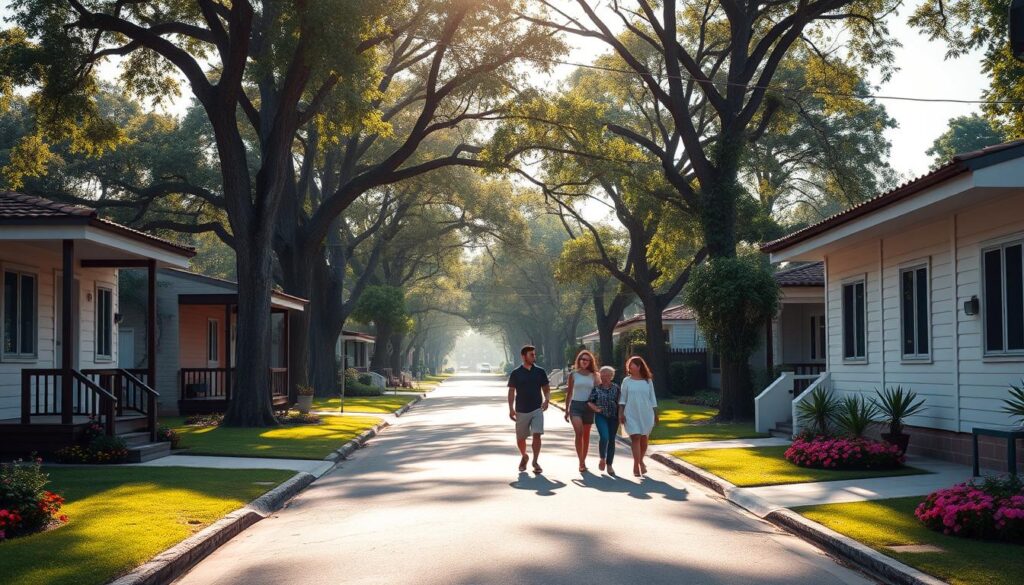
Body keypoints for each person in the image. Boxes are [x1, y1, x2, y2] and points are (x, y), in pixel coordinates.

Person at [507, 345, 550, 473]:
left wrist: (547, 399)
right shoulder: (516, 373)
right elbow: (511, 391)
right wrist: (511, 408)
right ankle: (524, 456)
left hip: (537, 409)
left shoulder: (540, 371)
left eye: (534, 354)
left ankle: (535, 461)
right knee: (520, 439)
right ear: (523, 356)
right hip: (521, 410)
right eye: (531, 355)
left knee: (537, 434)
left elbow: (546, 388)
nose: (534, 357)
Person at [619, 356, 659, 477]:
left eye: (633, 365)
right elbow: (622, 398)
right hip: (631, 413)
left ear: (639, 366)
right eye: (629, 365)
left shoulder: (648, 381)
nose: (630, 367)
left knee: (644, 438)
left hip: (646, 413)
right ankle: (636, 465)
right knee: (635, 437)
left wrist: (656, 415)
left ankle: (641, 461)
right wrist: (621, 413)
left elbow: (653, 399)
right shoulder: (627, 381)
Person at [564, 349, 599, 472]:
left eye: (587, 360)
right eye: (582, 359)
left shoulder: (594, 375)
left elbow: (598, 392)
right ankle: (581, 462)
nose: (585, 361)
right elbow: (569, 393)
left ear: (590, 362)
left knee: (586, 435)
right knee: (579, 433)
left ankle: (583, 460)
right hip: (576, 406)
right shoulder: (573, 374)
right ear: (579, 360)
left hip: (588, 407)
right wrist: (566, 410)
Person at [589, 365, 620, 476]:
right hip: (601, 416)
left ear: (612, 376)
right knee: (604, 436)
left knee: (611, 440)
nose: (604, 377)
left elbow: (620, 403)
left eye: (607, 375)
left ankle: (609, 465)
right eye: (602, 375)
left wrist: (621, 415)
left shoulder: (616, 388)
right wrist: (596, 408)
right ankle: (602, 458)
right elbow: (589, 401)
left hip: (613, 417)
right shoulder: (596, 388)